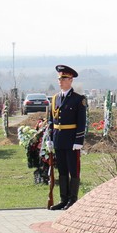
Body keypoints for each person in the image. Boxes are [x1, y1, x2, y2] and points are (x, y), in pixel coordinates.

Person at [48, 65, 87, 210]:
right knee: (62, 170)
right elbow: (51, 121)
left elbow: (81, 122)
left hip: (71, 140)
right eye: (59, 78)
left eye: (63, 78)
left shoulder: (78, 99)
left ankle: (73, 200)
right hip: (58, 140)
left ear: (70, 80)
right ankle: (63, 199)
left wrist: (78, 141)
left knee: (73, 170)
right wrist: (50, 139)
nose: (60, 80)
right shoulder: (55, 99)